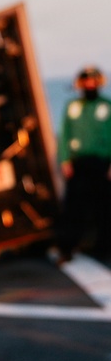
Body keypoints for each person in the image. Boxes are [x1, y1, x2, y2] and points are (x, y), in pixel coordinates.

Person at [55, 66, 111, 262]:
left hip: (102, 164)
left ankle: (103, 248)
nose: (90, 84)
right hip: (79, 164)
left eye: (93, 81)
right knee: (73, 208)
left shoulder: (106, 106)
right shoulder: (73, 106)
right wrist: (64, 160)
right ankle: (67, 247)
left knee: (104, 208)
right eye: (86, 81)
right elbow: (64, 134)